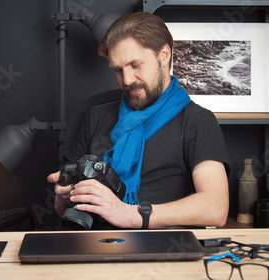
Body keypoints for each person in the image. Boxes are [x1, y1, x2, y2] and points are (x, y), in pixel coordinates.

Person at [47, 12, 230, 229]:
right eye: (117, 70)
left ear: (163, 55)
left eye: (135, 65)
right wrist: (65, 197)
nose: (126, 80)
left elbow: (216, 208)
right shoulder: (94, 117)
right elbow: (63, 212)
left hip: (162, 253)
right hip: (93, 247)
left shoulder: (198, 121)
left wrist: (130, 214)